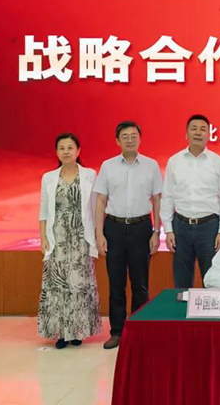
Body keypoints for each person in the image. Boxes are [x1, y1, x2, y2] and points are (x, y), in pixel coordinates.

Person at [93, 121, 163, 350]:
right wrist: (99, 233)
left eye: (134, 136)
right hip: (113, 227)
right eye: (125, 136)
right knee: (116, 283)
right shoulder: (108, 166)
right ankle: (117, 332)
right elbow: (100, 201)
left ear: (140, 139)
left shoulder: (151, 166)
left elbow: (157, 200)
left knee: (140, 284)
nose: (130, 140)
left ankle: (139, 331)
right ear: (117, 141)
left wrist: (156, 232)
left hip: (141, 228)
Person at [37, 132, 101, 349]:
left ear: (78, 151)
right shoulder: (48, 177)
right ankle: (61, 334)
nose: (66, 152)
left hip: (81, 238)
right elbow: (43, 210)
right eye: (61, 148)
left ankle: (78, 331)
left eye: (70, 148)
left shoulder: (90, 175)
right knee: (58, 285)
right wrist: (43, 237)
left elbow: (96, 207)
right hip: (58, 239)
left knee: (80, 285)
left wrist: (98, 235)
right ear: (56, 152)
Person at [161, 114, 220, 289]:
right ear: (186, 134)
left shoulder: (218, 162)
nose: (198, 133)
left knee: (213, 278)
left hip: (209, 227)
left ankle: (213, 309)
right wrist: (168, 230)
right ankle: (183, 307)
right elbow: (168, 197)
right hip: (181, 226)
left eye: (203, 129)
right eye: (194, 129)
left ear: (209, 134)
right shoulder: (174, 161)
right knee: (182, 280)